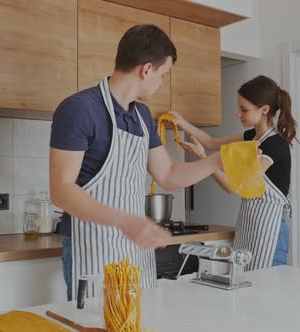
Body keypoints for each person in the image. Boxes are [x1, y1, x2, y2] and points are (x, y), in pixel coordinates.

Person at [49, 24, 225, 300]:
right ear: (146, 70)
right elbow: (61, 191)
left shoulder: (142, 116)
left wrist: (219, 160)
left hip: (134, 247)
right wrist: (126, 222)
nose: (161, 82)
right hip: (92, 246)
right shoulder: (79, 109)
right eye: (163, 74)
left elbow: (168, 174)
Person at [170, 75, 297, 270]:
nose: (238, 113)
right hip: (249, 226)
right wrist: (180, 122)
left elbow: (233, 186)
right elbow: (210, 142)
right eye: (239, 107)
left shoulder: (275, 146)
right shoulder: (251, 137)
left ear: (264, 110)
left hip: (270, 231)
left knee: (266, 294)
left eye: (244, 109)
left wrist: (204, 159)